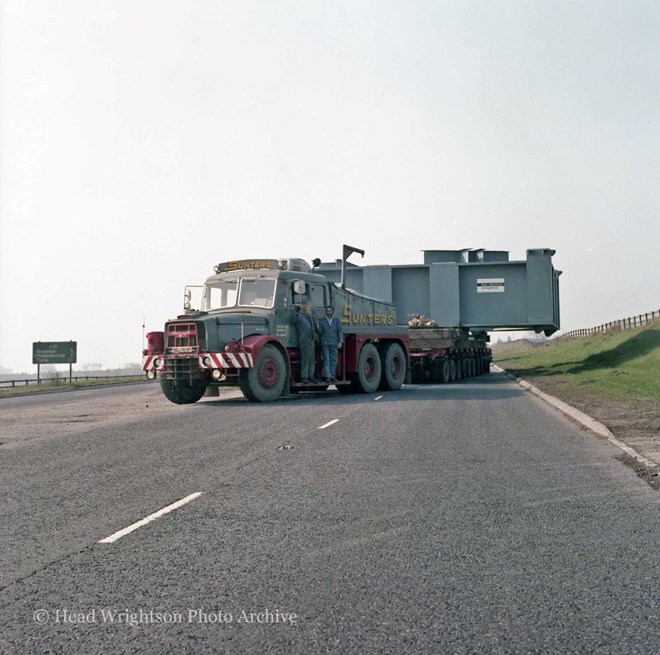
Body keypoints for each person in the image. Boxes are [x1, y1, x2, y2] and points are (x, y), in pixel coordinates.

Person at [318, 306, 343, 382]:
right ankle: (328, 376)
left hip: (334, 342)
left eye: (330, 311)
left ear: (333, 312)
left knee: (334, 360)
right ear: (326, 312)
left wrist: (340, 342)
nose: (329, 312)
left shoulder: (337, 320)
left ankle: (332, 375)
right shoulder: (322, 320)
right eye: (328, 311)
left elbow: (340, 332)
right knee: (326, 359)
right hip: (325, 343)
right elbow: (320, 332)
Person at [296, 303, 318, 383]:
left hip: (311, 340)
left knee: (312, 359)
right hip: (304, 340)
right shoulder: (300, 317)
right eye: (309, 307)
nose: (310, 309)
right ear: (305, 308)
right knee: (305, 359)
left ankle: (311, 376)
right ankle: (304, 377)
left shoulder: (311, 317)